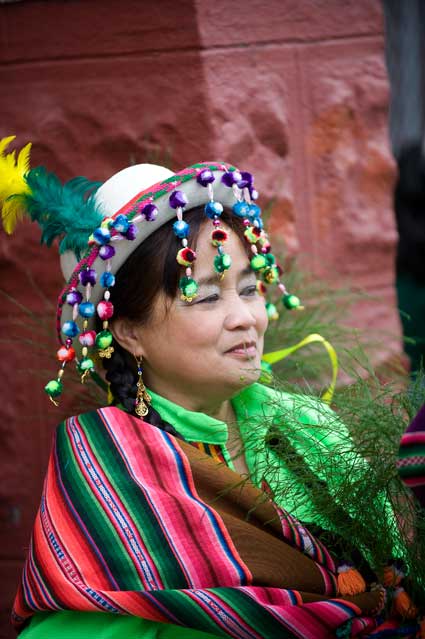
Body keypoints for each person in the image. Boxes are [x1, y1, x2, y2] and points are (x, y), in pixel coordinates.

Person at [0, 136, 419, 638]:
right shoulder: (114, 475)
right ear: (129, 332)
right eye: (204, 298)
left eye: (248, 289)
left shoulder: (311, 427)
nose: (246, 319)